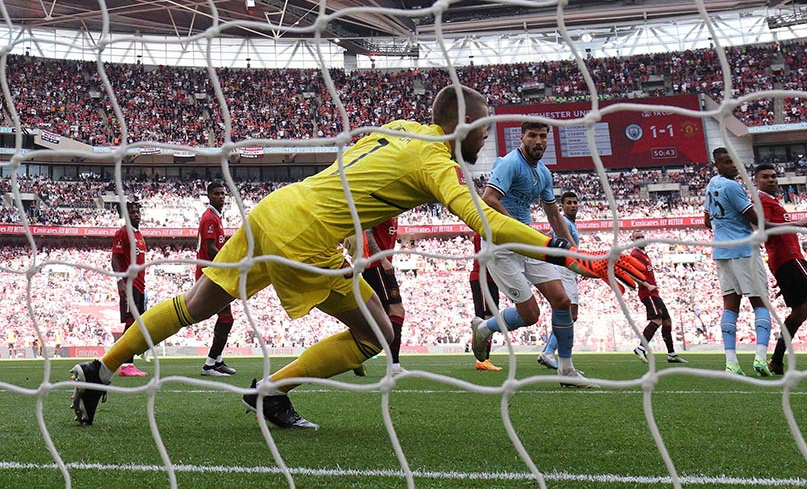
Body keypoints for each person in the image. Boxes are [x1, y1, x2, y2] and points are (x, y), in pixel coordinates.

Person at [71, 85, 643, 428]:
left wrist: (358, 230)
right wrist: (577, 259)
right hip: (307, 231)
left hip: (274, 208)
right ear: (463, 126)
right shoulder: (437, 162)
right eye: (482, 128)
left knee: (195, 304)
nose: (485, 139)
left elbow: (358, 170)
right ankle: (269, 393)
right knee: (375, 333)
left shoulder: (399, 130)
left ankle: (97, 370)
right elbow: (483, 220)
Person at [471, 122, 592, 386]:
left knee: (562, 301)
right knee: (530, 315)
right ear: (522, 137)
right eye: (533, 136)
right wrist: (513, 226)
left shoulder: (544, 173)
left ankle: (567, 370)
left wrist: (575, 252)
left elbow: (553, 215)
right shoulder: (510, 163)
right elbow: (488, 197)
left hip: (527, 242)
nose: (539, 141)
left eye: (543, 136)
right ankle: (483, 328)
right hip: (501, 245)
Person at [751, 164, 807, 373]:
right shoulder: (762, 200)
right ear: (756, 180)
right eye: (766, 177)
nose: (772, 180)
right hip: (790, 259)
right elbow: (762, 226)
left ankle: (776, 360)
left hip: (784, 262)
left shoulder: (772, 201)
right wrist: (797, 224)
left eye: (774, 176)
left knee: (800, 312)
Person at [704, 148, 772, 377]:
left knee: (730, 306)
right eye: (728, 162)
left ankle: (731, 363)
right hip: (743, 250)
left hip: (721, 251)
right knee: (760, 303)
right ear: (718, 165)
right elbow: (754, 218)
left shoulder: (711, 184)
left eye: (736, 162)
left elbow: (706, 221)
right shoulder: (733, 186)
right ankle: (761, 358)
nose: (734, 166)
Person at [345, 217, 407, 375]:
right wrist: (383, 260)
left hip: (375, 266)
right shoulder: (387, 209)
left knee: (377, 317)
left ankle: (353, 355)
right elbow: (369, 232)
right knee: (396, 310)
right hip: (377, 266)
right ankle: (394, 364)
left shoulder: (394, 214)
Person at [537, 191, 584, 370]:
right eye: (569, 203)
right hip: (564, 269)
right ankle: (550, 352)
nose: (573, 205)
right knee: (570, 314)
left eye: (575, 202)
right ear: (562, 207)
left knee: (569, 314)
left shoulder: (570, 224)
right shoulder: (564, 222)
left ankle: (550, 352)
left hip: (567, 270)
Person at [196, 182, 237, 377]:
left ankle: (216, 360)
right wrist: (229, 263)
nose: (221, 196)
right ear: (209, 196)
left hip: (214, 274)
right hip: (210, 275)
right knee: (226, 318)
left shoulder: (216, 217)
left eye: (223, 193)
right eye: (217, 194)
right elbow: (211, 248)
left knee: (225, 317)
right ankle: (210, 364)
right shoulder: (210, 218)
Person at [631, 230, 686, 365]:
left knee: (667, 321)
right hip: (647, 293)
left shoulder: (644, 254)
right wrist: (646, 285)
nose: (641, 239)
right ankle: (641, 348)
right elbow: (631, 274)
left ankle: (671, 354)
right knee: (657, 320)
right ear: (633, 240)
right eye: (637, 237)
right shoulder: (635, 254)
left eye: (642, 236)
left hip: (654, 293)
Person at [111, 201, 147, 378]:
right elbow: (115, 259)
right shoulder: (123, 232)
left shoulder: (138, 234)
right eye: (132, 212)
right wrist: (120, 282)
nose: (136, 214)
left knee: (135, 324)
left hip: (140, 286)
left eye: (137, 211)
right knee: (131, 324)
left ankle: (123, 361)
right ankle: (125, 363)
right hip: (129, 284)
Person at [470, 234, 502, 371]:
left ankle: (484, 358)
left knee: (491, 317)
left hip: (491, 279)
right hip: (482, 277)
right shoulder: (482, 233)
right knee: (484, 318)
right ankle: (482, 359)